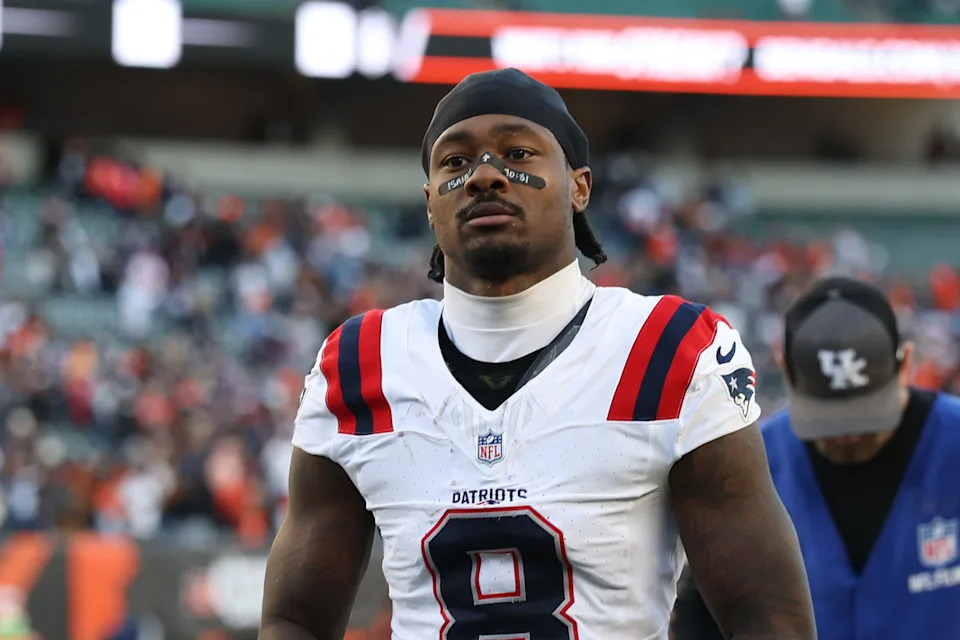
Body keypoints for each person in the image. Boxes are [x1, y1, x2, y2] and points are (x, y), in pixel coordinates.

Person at [259, 68, 816, 640]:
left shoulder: (668, 348)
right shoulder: (358, 362)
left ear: (579, 187)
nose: (483, 177)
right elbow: (294, 619)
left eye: (518, 152)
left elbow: (766, 617)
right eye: (454, 163)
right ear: (430, 204)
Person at [670, 276, 960, 640]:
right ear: (785, 371)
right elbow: (704, 615)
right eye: (830, 418)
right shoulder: (751, 462)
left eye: (867, 414)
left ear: (905, 366)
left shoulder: (952, 444)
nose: (849, 434)